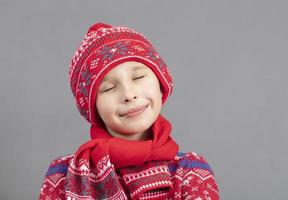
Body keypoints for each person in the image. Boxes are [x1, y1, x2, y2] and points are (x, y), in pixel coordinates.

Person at [39, 22, 219, 200]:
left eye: (138, 77)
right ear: (93, 108)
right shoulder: (63, 176)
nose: (129, 94)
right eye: (109, 88)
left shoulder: (190, 171)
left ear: (161, 83)